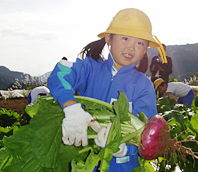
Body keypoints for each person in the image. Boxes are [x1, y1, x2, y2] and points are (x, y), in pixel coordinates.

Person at [47, 8, 162, 171]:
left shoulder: (144, 86)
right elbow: (61, 73)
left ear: (145, 49)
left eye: (140, 43)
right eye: (126, 38)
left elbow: (146, 135)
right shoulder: (90, 69)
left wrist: (123, 147)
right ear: (109, 38)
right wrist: (71, 107)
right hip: (88, 161)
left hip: (124, 167)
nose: (131, 47)